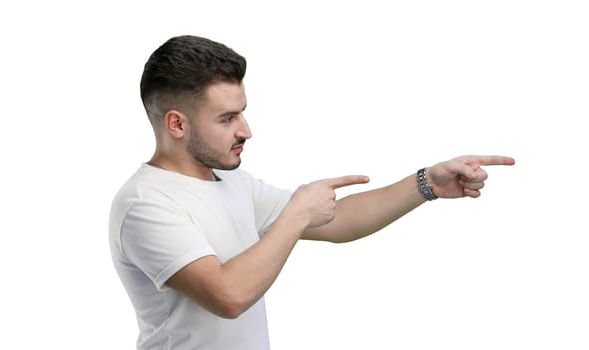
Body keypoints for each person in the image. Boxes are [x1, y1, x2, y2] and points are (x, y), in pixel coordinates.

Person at [109, 35, 515, 350]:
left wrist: (426, 183)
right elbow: (228, 296)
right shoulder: (146, 203)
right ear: (177, 124)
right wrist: (296, 213)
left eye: (243, 112)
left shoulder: (232, 183)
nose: (245, 130)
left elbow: (337, 220)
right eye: (227, 117)